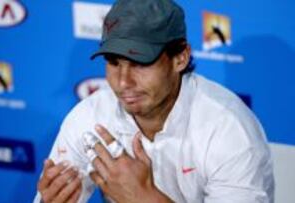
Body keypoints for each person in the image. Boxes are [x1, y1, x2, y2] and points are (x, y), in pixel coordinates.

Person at [34, 0, 274, 202]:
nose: (123, 82)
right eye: (113, 62)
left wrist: (144, 198)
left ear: (180, 58)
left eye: (140, 63)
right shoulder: (90, 117)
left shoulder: (229, 131)